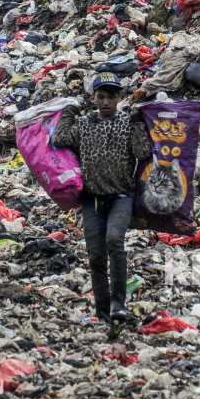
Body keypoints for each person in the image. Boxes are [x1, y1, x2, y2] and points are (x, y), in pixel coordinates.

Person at [51, 73, 150, 322]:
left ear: (120, 97)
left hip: (121, 196)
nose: (106, 102)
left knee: (115, 240)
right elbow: (59, 138)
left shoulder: (127, 123)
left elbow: (142, 151)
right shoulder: (84, 124)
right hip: (92, 199)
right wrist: (69, 112)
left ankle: (119, 303)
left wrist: (138, 122)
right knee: (96, 255)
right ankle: (103, 311)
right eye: (101, 97)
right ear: (93, 98)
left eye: (111, 97)